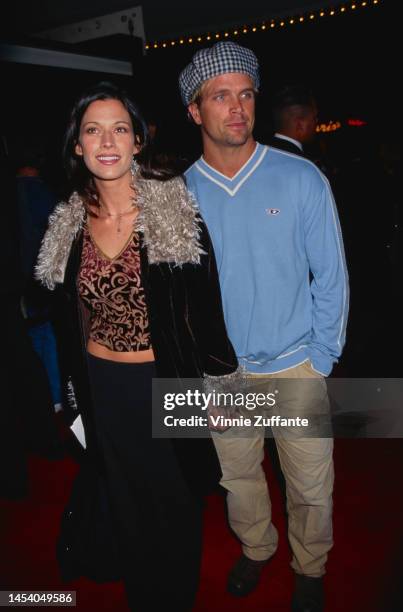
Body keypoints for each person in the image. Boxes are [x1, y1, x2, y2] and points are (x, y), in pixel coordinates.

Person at [36, 81, 238, 611]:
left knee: (177, 500)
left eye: (119, 128)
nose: (107, 140)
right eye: (93, 130)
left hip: (166, 380)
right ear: (77, 145)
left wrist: (220, 386)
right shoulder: (66, 226)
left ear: (138, 141)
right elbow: (64, 324)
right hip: (104, 387)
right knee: (126, 501)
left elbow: (207, 309)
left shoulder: (173, 213)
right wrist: (73, 396)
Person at [179, 42, 349, 612]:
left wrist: (321, 358)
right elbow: (176, 301)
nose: (237, 107)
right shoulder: (178, 197)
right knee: (239, 478)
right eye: (220, 96)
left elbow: (331, 274)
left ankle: (311, 563)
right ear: (194, 110)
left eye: (245, 94)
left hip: (296, 363)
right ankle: (257, 548)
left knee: (311, 486)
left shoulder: (300, 178)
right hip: (223, 378)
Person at [268, 84, 318, 157]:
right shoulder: (302, 163)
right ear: (300, 125)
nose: (316, 122)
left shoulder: (260, 155)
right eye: (314, 118)